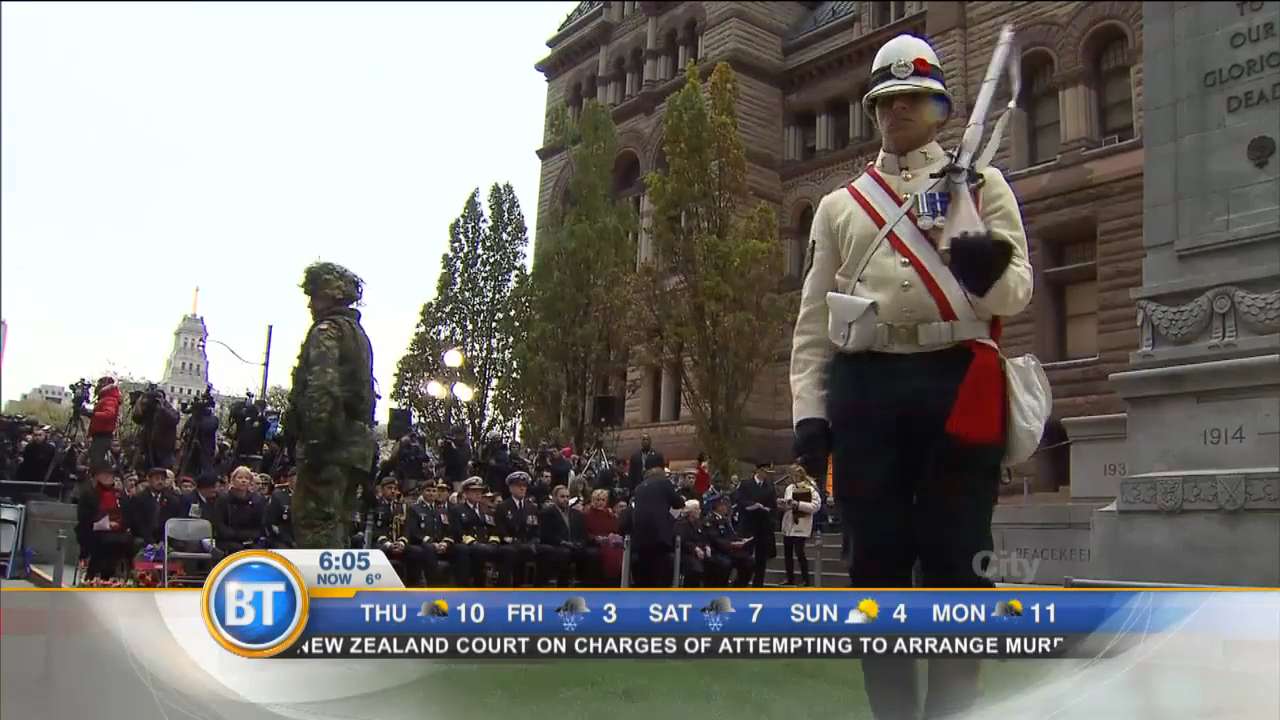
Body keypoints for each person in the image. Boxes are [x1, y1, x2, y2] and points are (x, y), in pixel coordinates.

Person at [789, 33, 1032, 720]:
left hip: (956, 379)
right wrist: (810, 408)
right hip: (866, 390)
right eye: (883, 100)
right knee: (876, 569)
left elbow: (1019, 289)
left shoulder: (981, 185)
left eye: (910, 98)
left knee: (960, 564)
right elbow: (813, 322)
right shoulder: (841, 206)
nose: (895, 111)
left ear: (939, 106)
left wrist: (985, 272)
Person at [287, 262, 377, 549]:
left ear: (329, 295)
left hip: (329, 448)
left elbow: (321, 389)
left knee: (315, 527)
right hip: (354, 450)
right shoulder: (357, 334)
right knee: (339, 524)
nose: (310, 305)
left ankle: (322, 593)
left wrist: (313, 442)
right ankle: (341, 591)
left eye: (314, 296)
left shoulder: (326, 330)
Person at [628, 467, 684, 587]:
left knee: (644, 568)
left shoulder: (639, 488)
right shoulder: (664, 483)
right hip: (659, 534)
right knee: (659, 569)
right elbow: (678, 503)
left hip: (640, 534)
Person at [495, 471, 551, 586]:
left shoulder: (531, 507)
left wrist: (535, 539)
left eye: (524, 486)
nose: (522, 488)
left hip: (528, 543)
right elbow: (500, 529)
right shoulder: (503, 506)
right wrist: (510, 539)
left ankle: (541, 589)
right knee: (509, 552)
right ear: (511, 488)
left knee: (547, 551)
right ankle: (504, 590)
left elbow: (536, 528)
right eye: (518, 486)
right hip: (510, 543)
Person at [76, 466, 133, 580]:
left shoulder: (120, 495)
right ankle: (93, 574)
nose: (108, 478)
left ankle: (110, 574)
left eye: (110, 476)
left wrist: (119, 524)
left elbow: (128, 513)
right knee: (102, 541)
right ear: (97, 477)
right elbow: (84, 517)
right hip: (93, 529)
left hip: (117, 530)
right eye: (104, 475)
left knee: (124, 540)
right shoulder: (89, 494)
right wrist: (106, 523)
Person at [539, 484, 598, 587]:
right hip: (557, 546)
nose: (565, 499)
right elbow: (546, 535)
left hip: (575, 545)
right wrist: (563, 542)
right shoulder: (547, 513)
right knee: (565, 553)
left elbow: (583, 533)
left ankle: (587, 588)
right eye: (562, 497)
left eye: (567, 497)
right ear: (554, 498)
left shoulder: (577, 514)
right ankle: (563, 587)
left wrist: (581, 543)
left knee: (592, 553)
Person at [734, 462, 778, 588]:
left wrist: (770, 513)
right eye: (764, 471)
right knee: (745, 557)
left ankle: (758, 586)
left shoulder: (769, 486)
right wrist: (752, 505)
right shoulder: (746, 484)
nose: (766, 474)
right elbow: (740, 500)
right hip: (748, 525)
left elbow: (773, 505)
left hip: (763, 526)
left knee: (761, 559)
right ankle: (741, 584)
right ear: (758, 471)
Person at [449, 477, 499, 587]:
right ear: (466, 493)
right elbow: (457, 531)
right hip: (467, 543)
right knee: (467, 550)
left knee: (505, 550)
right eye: (474, 491)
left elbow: (494, 529)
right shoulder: (458, 510)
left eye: (480, 491)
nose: (478, 494)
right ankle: (467, 587)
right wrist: (473, 542)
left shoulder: (487, 509)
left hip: (486, 544)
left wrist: (493, 542)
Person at [781, 465, 822, 587]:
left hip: (801, 524)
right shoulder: (789, 488)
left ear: (801, 475)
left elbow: (816, 506)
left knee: (799, 552)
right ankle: (790, 578)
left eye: (795, 475)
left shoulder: (810, 489)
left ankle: (806, 579)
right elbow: (788, 503)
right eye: (792, 475)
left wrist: (798, 504)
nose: (793, 478)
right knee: (787, 553)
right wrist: (783, 504)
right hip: (789, 523)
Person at [213, 466, 266, 555]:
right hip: (228, 540)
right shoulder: (223, 499)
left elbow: (260, 524)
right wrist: (236, 535)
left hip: (251, 539)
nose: (243, 480)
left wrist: (251, 537)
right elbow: (220, 524)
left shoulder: (257, 500)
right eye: (240, 477)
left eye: (247, 478)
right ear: (233, 480)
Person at [704, 492, 754, 587]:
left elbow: (731, 535)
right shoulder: (710, 520)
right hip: (717, 551)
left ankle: (739, 587)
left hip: (729, 550)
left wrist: (741, 540)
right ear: (717, 506)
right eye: (723, 505)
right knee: (725, 564)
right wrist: (732, 544)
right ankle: (721, 587)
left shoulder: (725, 520)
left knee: (748, 561)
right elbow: (715, 539)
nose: (726, 507)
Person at [128, 467, 181, 546]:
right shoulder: (138, 499)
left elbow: (173, 523)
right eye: (157, 479)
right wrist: (151, 541)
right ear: (149, 480)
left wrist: (163, 541)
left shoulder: (172, 500)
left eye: (162, 479)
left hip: (165, 538)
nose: (160, 482)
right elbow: (138, 524)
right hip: (144, 537)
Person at [583, 489, 624, 586]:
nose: (600, 502)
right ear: (593, 500)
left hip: (611, 542)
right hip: (596, 542)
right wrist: (596, 538)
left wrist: (614, 537)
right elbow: (585, 533)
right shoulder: (587, 515)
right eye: (597, 500)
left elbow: (615, 529)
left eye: (602, 500)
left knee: (619, 552)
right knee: (607, 553)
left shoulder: (610, 514)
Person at [674, 499, 717, 588]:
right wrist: (695, 549)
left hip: (701, 551)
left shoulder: (699, 523)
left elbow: (705, 537)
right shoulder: (681, 523)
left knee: (718, 564)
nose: (699, 511)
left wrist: (707, 546)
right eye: (697, 509)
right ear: (690, 511)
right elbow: (683, 541)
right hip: (687, 553)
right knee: (695, 569)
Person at [86, 376, 122, 473]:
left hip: (102, 437)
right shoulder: (107, 398)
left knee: (96, 466)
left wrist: (93, 414)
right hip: (100, 436)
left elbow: (109, 414)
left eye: (99, 384)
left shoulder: (109, 399)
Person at [264, 466, 297, 549]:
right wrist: (289, 541)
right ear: (289, 480)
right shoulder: (279, 496)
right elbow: (272, 522)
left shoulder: (309, 496)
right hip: (283, 538)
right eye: (297, 478)